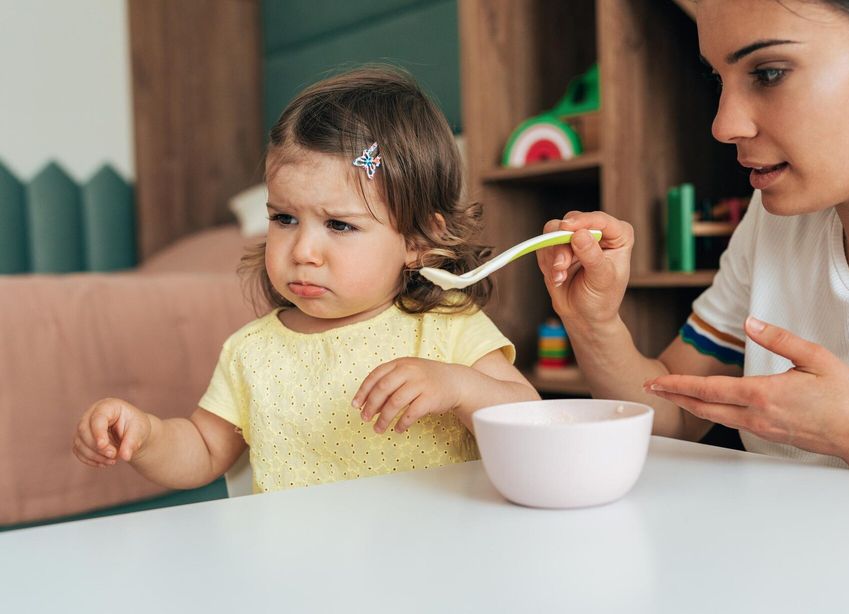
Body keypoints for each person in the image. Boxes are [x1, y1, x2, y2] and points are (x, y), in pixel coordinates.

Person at [538, 0, 849, 495]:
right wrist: (592, 322)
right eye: (718, 79)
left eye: (768, 73)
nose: (725, 125)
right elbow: (669, 418)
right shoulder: (777, 219)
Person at [72, 66, 539, 494]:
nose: (302, 252)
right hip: (295, 569)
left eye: (339, 225)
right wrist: (148, 436)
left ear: (419, 242)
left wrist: (460, 387)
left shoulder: (447, 329)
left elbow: (532, 423)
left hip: (426, 559)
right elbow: (203, 449)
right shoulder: (252, 351)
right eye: (284, 218)